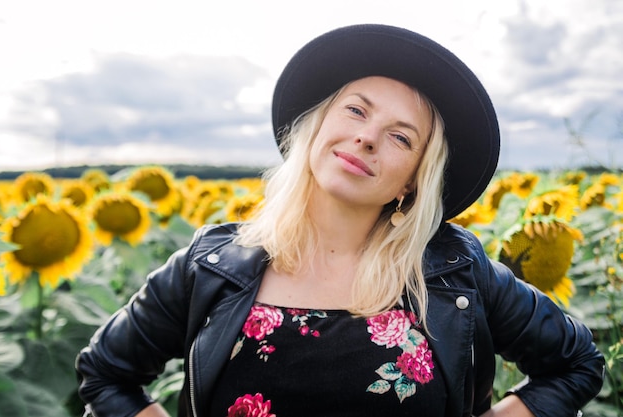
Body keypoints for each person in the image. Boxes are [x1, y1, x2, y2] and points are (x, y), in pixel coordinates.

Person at [75, 24, 604, 417]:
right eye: (356, 110)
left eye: (401, 137)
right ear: (316, 128)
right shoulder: (212, 265)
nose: (368, 137)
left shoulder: (453, 269)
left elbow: (576, 361)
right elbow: (106, 373)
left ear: (412, 181)